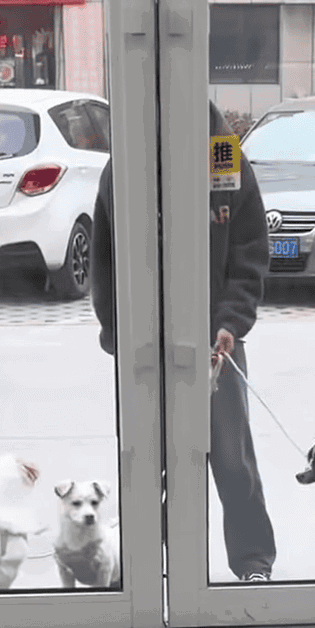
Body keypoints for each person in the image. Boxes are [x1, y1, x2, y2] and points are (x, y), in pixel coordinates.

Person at [90, 100, 276, 582]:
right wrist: (117, 332)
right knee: (146, 460)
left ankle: (253, 563)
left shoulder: (223, 156)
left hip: (214, 344)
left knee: (233, 460)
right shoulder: (123, 168)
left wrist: (231, 324)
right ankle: (146, 570)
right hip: (145, 349)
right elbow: (105, 259)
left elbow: (250, 247)